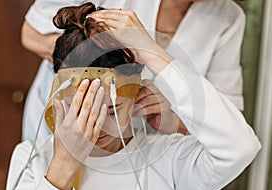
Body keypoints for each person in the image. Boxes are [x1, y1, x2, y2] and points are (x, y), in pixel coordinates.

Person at [7, 3, 261, 190]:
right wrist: (63, 166)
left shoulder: (167, 159)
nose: (97, 126)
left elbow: (240, 147)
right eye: (81, 108)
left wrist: (153, 54)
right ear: (60, 95)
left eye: (111, 109)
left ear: (138, 92)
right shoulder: (32, 159)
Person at [21, 0, 246, 140]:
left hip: (141, 150)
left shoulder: (229, 19)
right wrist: (100, 65)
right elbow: (30, 35)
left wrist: (172, 120)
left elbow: (225, 120)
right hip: (63, 126)